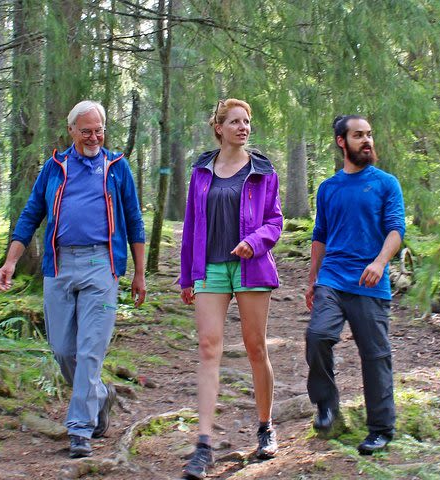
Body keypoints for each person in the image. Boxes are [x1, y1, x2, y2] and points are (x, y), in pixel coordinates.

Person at [0, 100, 146, 459]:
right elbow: (31, 215)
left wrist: (139, 273)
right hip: (59, 266)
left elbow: (135, 221)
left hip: (102, 266)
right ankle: (101, 396)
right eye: (87, 131)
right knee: (63, 349)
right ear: (72, 131)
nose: (94, 137)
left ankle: (79, 429)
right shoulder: (54, 167)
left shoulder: (117, 168)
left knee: (91, 350)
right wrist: (10, 262)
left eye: (99, 130)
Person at [178, 98, 283, 479]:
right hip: (210, 268)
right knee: (208, 348)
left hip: (251, 267)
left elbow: (275, 220)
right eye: (235, 121)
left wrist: (254, 242)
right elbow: (191, 223)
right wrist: (187, 276)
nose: (243, 127)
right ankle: (202, 444)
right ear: (219, 127)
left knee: (256, 347)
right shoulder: (202, 171)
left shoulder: (262, 169)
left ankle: (266, 426)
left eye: (247, 121)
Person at [305, 115, 405, 455]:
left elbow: (396, 230)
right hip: (332, 278)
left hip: (370, 282)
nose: (367, 141)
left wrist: (380, 262)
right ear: (341, 141)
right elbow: (320, 236)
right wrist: (312, 279)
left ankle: (381, 428)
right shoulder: (329, 188)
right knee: (318, 336)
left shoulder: (386, 183)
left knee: (375, 356)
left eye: (369, 135)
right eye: (358, 135)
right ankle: (326, 405)